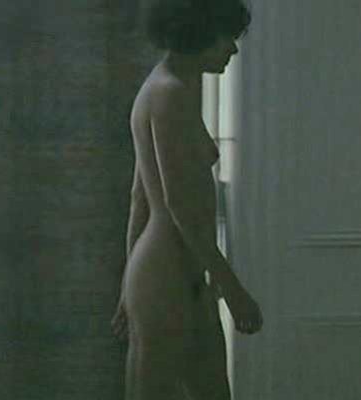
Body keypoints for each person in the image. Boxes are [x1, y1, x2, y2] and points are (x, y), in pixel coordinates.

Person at [110, 0, 263, 398]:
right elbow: (178, 205)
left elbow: (139, 198)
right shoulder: (169, 93)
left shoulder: (176, 86)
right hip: (166, 274)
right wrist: (233, 289)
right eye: (226, 36)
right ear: (197, 32)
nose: (233, 48)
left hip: (178, 274)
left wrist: (127, 282)